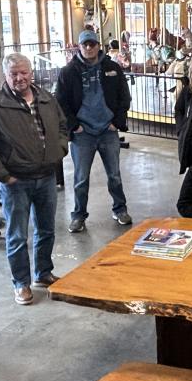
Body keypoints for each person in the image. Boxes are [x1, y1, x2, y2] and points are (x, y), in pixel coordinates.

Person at [0, 53, 70, 305]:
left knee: (46, 230)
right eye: (14, 74)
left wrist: (59, 149)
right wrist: (1, 174)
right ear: (5, 75)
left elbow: (62, 126)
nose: (20, 78)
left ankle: (43, 273)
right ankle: (21, 283)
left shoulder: (46, 99)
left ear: (31, 73)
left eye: (24, 72)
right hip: (15, 182)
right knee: (17, 236)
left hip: (46, 176)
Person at [55, 29, 132, 233]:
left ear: (99, 46)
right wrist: (74, 126)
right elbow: (60, 102)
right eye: (85, 45)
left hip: (108, 130)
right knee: (81, 178)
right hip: (83, 134)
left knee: (114, 175)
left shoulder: (113, 68)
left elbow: (124, 96)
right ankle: (78, 215)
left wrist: (117, 122)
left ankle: (120, 209)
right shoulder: (68, 72)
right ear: (79, 47)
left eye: (92, 44)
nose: (89, 48)